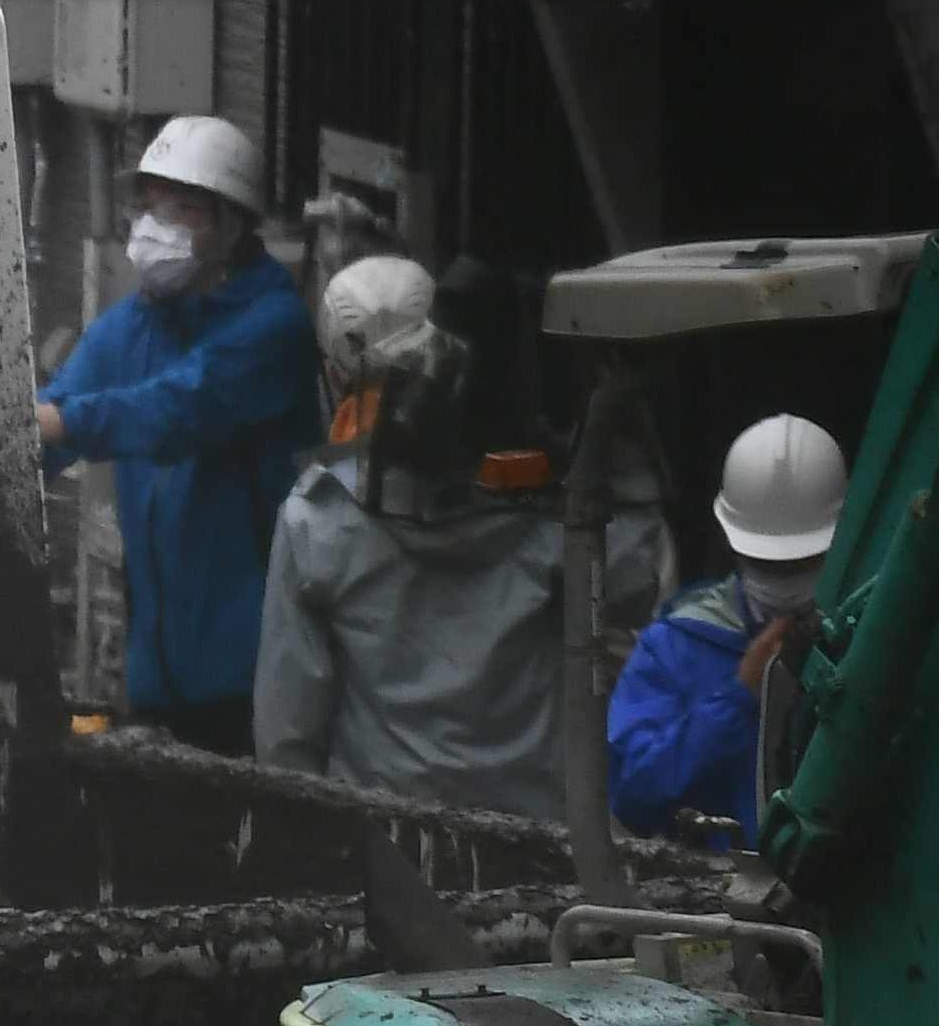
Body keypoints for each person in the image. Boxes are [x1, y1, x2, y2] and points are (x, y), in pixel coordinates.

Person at [255, 254, 645, 815]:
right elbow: (637, 599)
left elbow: (287, 734)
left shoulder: (318, 518)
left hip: (382, 843)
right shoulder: (565, 519)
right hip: (539, 841)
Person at [36, 114, 319, 755]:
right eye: (150, 209)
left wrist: (62, 421)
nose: (155, 230)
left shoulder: (272, 328)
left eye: (183, 210)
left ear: (232, 225)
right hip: (157, 671)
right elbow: (55, 413)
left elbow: (177, 409)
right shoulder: (136, 323)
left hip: (255, 669)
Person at [613, 413, 847, 841]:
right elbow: (633, 796)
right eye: (768, 563)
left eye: (804, 561)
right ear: (731, 539)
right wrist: (738, 698)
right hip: (716, 895)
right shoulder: (674, 646)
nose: (785, 579)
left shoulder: (874, 632)